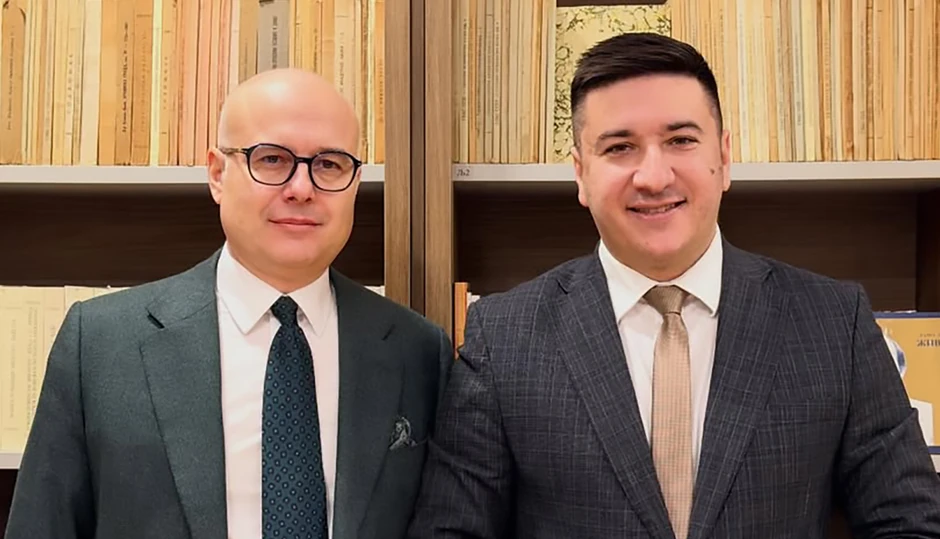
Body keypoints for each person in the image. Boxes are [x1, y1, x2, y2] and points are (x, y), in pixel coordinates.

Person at [407, 33, 940, 539]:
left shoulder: (833, 323)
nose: (654, 177)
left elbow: (911, 523)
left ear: (723, 159)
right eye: (620, 147)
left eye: (680, 140)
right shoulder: (504, 337)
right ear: (580, 174)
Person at [6, 68, 453, 539]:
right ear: (217, 175)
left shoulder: (418, 351)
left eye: (329, 165)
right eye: (272, 159)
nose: (302, 188)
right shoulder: (101, 345)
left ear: (355, 183)